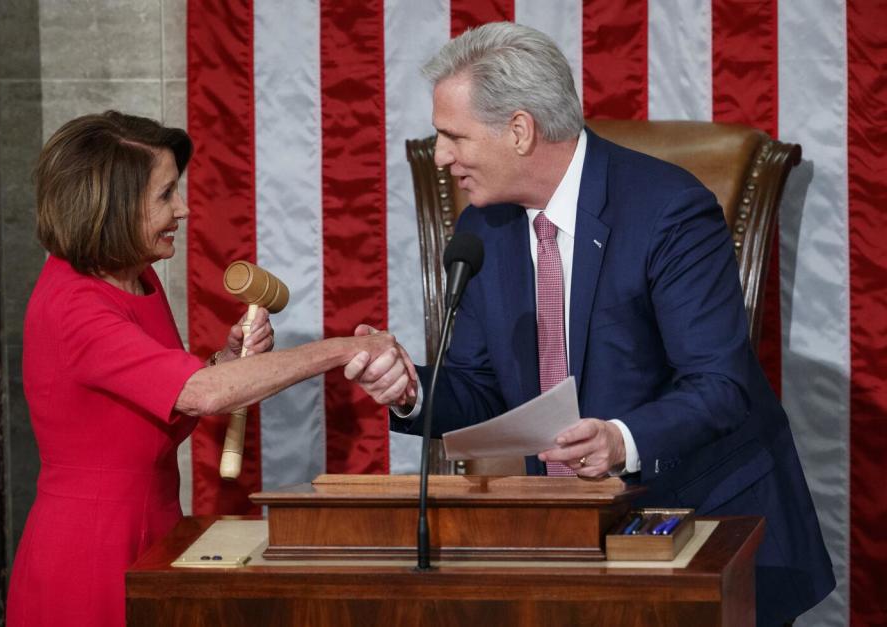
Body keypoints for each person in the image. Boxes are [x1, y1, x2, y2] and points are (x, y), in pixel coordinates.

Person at [346, 22, 834, 626]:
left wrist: (618, 439)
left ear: (519, 130)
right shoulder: (483, 230)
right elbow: (480, 388)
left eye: (453, 135)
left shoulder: (667, 211)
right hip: (566, 539)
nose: (440, 155)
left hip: (703, 523)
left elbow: (719, 384)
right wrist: (411, 390)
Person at [6, 111, 408, 627]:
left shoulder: (138, 278)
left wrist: (226, 358)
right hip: (90, 552)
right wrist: (340, 350)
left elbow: (168, 389)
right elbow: (202, 394)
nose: (185, 209)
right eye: (165, 195)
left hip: (156, 530)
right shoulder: (73, 303)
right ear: (112, 206)